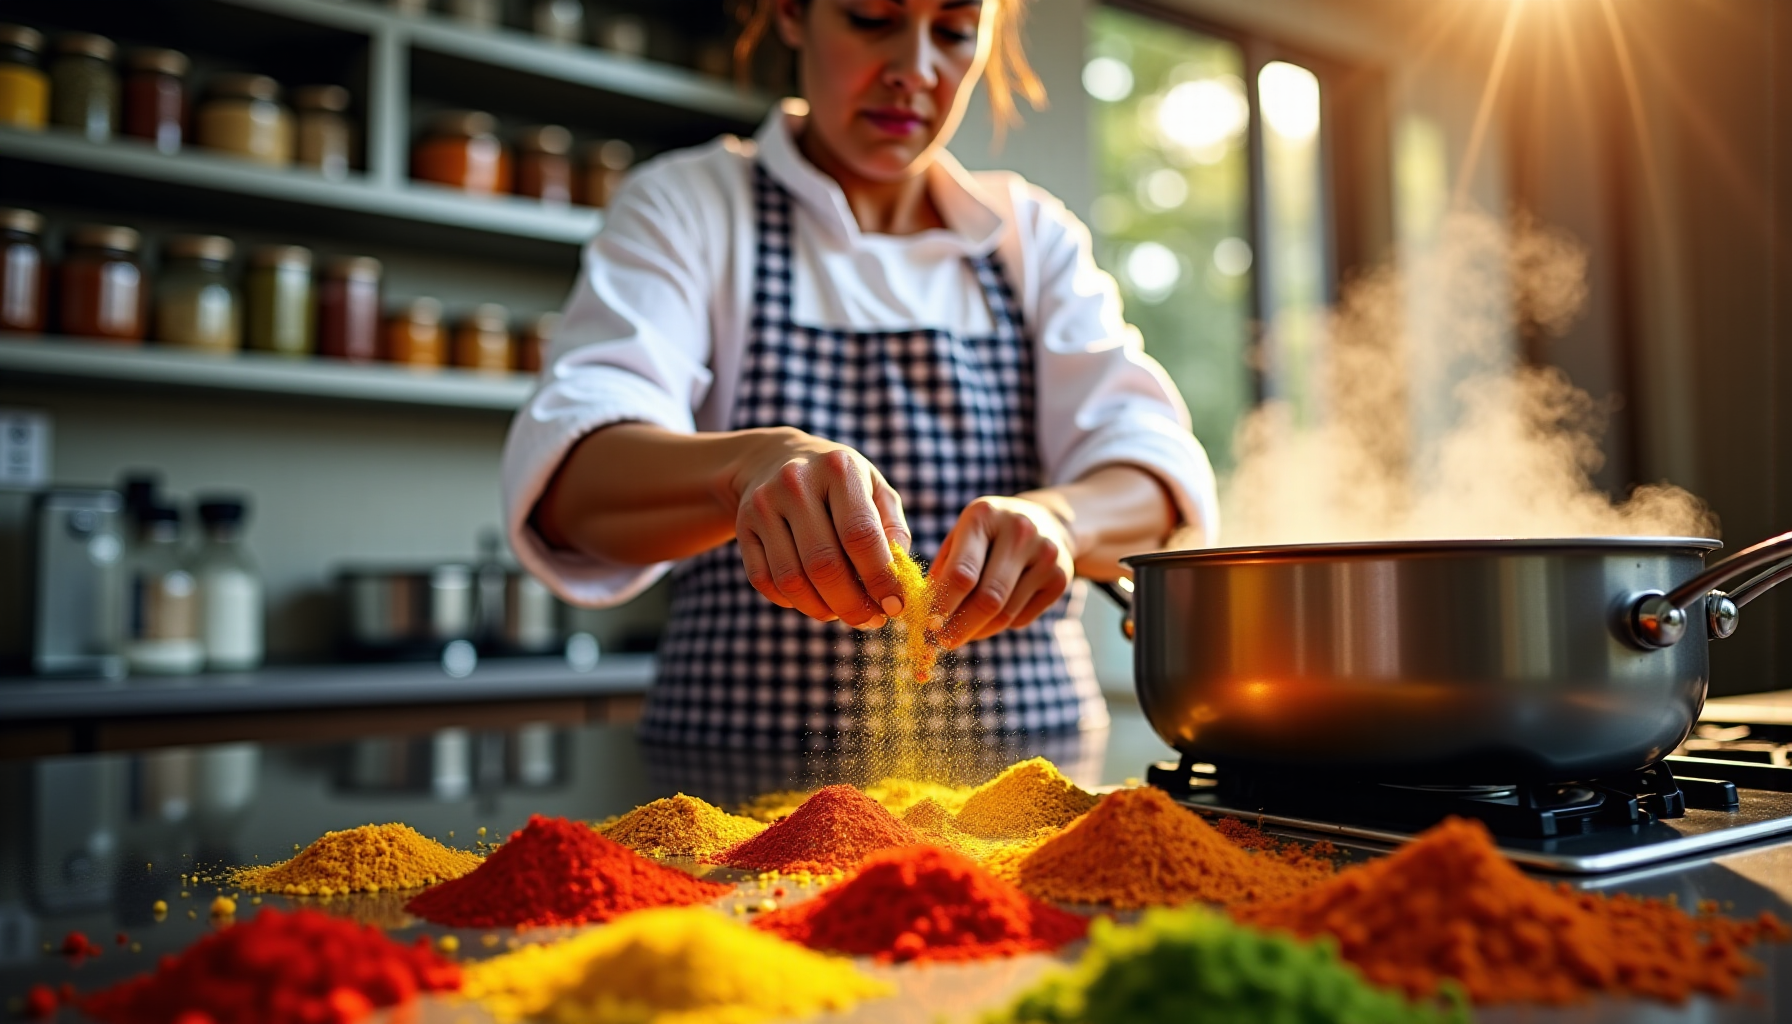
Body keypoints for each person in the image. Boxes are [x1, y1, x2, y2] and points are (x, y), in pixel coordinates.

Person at [501, 0, 1218, 753]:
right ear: (791, 14)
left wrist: (1063, 520)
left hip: (1032, 786)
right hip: (734, 797)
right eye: (872, 18)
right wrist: (744, 470)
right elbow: (569, 487)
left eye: (953, 32)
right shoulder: (690, 206)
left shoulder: (1032, 239)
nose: (915, 70)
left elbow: (1157, 481)